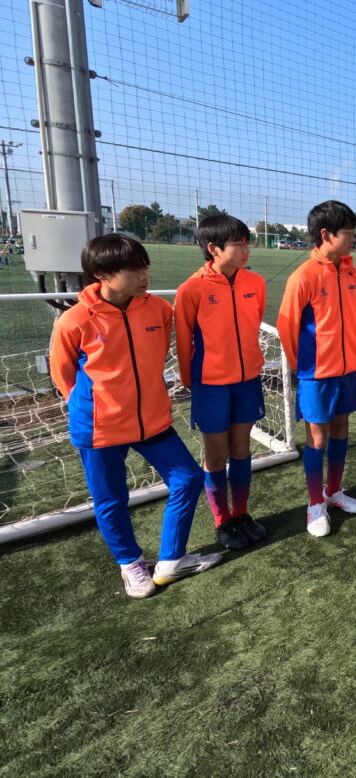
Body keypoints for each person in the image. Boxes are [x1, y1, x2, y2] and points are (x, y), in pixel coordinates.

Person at [49, 234, 221, 599]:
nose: (144, 276)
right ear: (102, 274)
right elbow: (63, 376)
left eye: (145, 267)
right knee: (111, 499)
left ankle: (171, 560)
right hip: (99, 427)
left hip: (152, 420)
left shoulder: (157, 309)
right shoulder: (74, 321)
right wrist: (95, 406)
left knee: (189, 478)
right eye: (133, 270)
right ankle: (130, 563)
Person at [175, 214, 268, 550]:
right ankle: (222, 520)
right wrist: (191, 381)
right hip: (210, 384)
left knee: (241, 448)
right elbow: (183, 339)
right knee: (216, 454)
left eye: (247, 243)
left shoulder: (255, 283)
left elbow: (255, 322)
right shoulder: (192, 288)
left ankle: (241, 514)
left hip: (247, 380)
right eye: (238, 244)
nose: (246, 250)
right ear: (213, 248)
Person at [277, 200, 356, 538]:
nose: (353, 239)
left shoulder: (350, 270)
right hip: (316, 372)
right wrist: (302, 365)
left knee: (341, 427)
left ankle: (334, 491)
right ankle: (315, 503)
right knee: (317, 437)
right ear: (326, 234)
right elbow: (286, 325)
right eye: (348, 233)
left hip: (347, 369)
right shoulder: (303, 276)